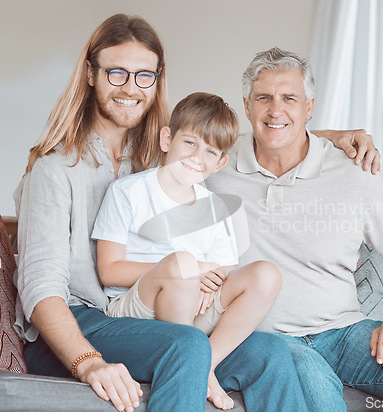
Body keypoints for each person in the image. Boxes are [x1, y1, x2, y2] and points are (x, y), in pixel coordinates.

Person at [13, 14, 379, 412]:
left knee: (271, 352)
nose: (130, 88)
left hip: (144, 317)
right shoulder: (54, 169)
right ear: (91, 74)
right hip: (78, 325)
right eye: (116, 73)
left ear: (157, 81)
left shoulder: (156, 155)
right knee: (185, 343)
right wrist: (88, 363)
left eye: (144, 76)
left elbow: (223, 143)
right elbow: (41, 288)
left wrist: (332, 137)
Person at [205, 47, 383, 412]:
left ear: (309, 107)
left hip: (342, 333)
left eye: (289, 98)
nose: (276, 110)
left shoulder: (352, 170)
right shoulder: (215, 165)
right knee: (317, 389)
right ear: (247, 106)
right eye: (264, 98)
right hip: (261, 337)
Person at [92, 91, 285, 410]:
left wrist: (209, 277)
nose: (197, 157)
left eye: (210, 151)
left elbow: (223, 269)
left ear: (221, 162)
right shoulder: (129, 192)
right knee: (181, 263)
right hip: (137, 307)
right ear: (167, 138)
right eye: (190, 143)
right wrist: (188, 268)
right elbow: (109, 269)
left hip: (195, 307)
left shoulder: (214, 206)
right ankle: (190, 361)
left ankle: (206, 363)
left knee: (266, 274)